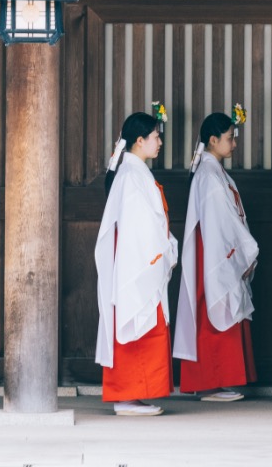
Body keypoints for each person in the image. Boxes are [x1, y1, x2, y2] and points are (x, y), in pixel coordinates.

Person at [95, 109, 177, 417]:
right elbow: (138, 227)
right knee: (137, 325)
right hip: (138, 264)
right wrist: (161, 252)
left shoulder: (134, 172)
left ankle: (135, 394)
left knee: (145, 328)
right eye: (156, 137)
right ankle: (127, 396)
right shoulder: (131, 177)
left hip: (145, 260)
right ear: (140, 141)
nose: (160, 142)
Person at [175, 109, 258, 401]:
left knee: (218, 311)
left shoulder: (212, 171)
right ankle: (211, 381)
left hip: (215, 248)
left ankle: (218, 380)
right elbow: (221, 221)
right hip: (213, 251)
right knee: (215, 309)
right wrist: (239, 253)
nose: (233, 144)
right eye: (229, 138)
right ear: (212, 140)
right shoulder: (209, 175)